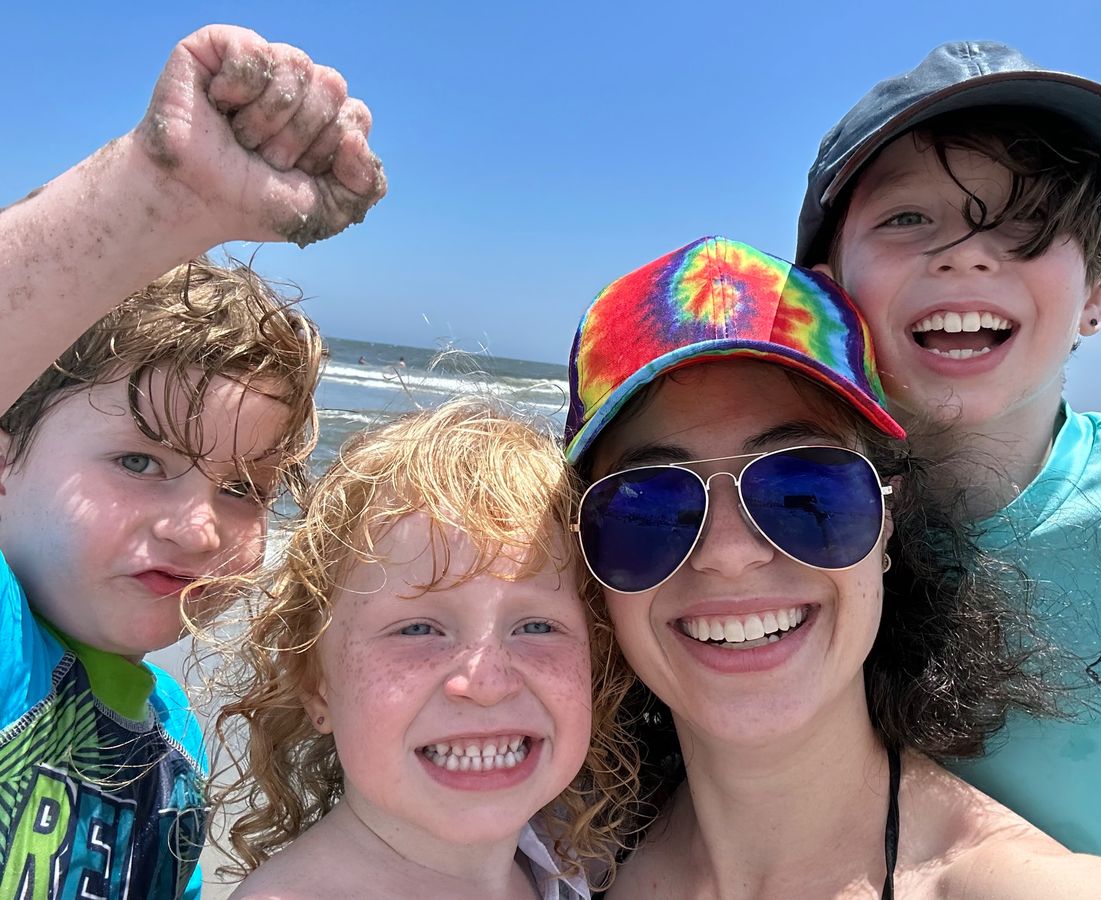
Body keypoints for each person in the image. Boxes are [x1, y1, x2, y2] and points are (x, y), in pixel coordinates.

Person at [562, 235, 1101, 898]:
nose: (729, 554)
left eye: (806, 492)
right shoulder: (554, 859)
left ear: (887, 521)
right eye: (648, 507)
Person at [793, 42, 1101, 893]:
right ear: (827, 294)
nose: (969, 255)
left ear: (1098, 290)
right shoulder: (762, 526)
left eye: (1029, 222)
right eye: (909, 217)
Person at [0, 25, 385, 897]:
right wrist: (153, 194)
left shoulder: (173, 738)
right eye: (139, 462)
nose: (199, 528)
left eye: (245, 488)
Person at [209, 398, 637, 900]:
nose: (486, 684)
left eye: (538, 626)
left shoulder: (555, 863)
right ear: (314, 684)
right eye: (417, 630)